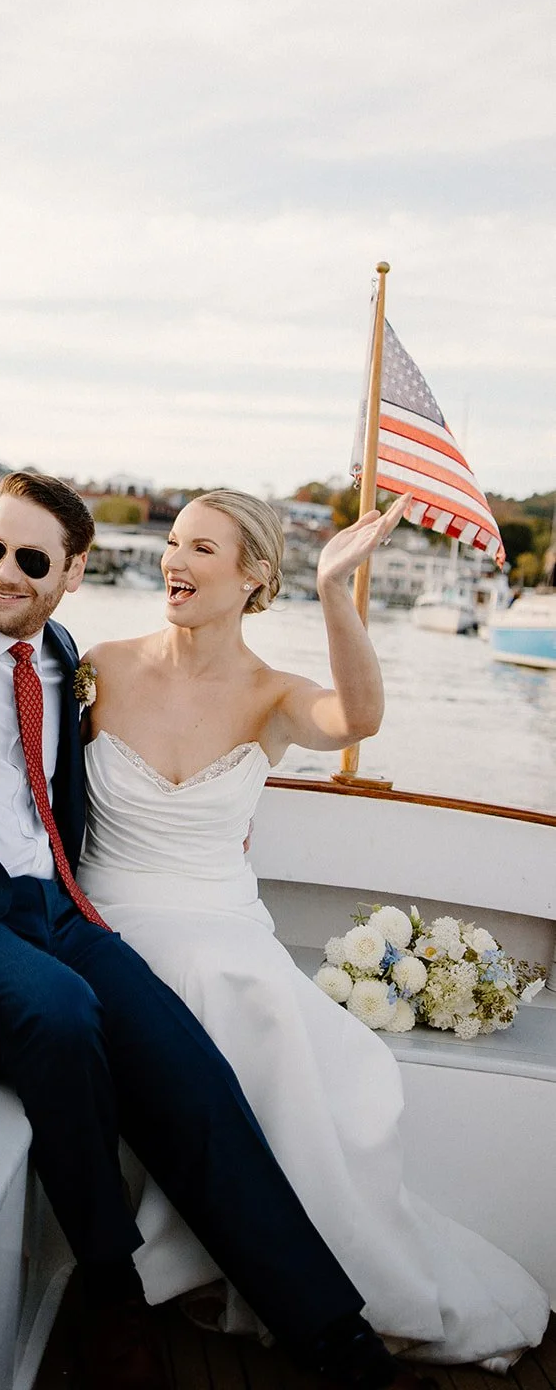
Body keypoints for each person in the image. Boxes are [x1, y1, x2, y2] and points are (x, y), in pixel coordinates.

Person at [0, 339, 434, 1390]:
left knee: (191, 1074)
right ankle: (111, 1288)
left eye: (25, 560)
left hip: (52, 911)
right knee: (58, 1014)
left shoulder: (67, 663)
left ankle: (334, 1340)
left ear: (70, 575)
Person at [75, 488, 550, 1369]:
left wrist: (336, 590)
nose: (174, 561)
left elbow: (356, 721)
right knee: (190, 986)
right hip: (103, 916)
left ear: (254, 577)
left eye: (202, 550)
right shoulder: (99, 664)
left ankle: (301, 1281)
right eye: (174, 543)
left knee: (233, 990)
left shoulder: (273, 695)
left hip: (218, 917)